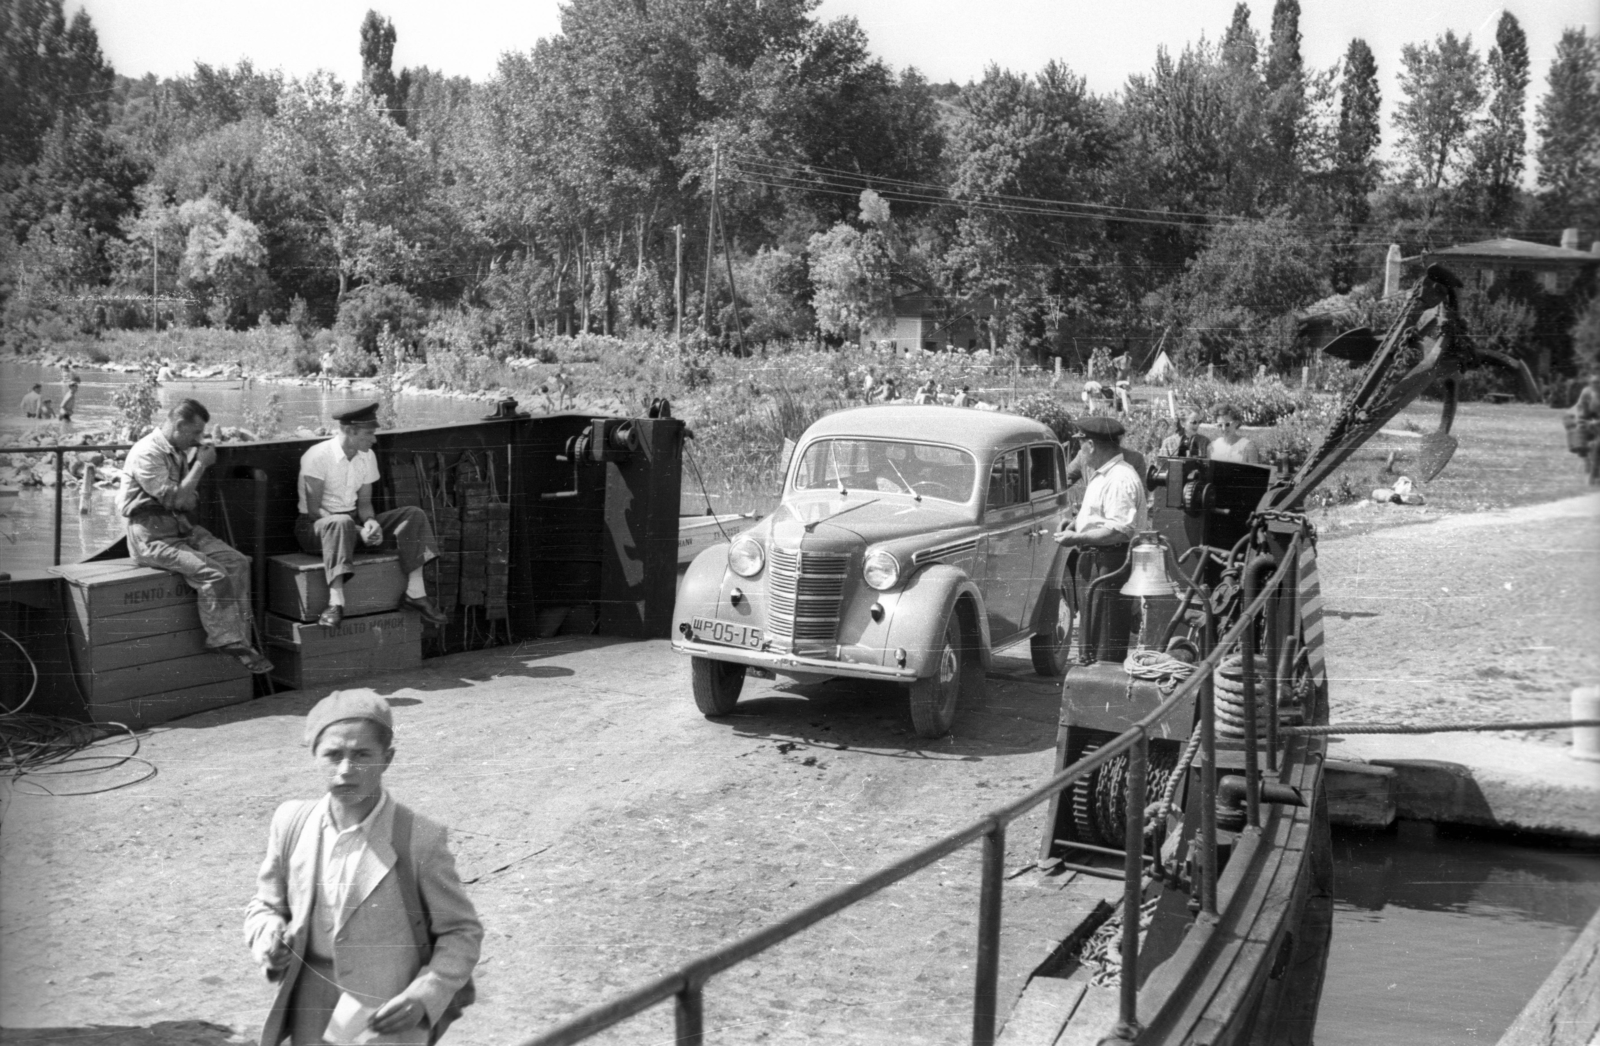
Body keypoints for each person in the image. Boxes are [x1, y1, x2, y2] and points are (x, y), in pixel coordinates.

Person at [245, 690, 483, 1046]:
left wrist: (424, 995)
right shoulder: (291, 822)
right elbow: (265, 906)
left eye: (361, 755)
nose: (345, 771)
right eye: (332, 755)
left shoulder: (418, 837)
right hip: (309, 1003)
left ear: (387, 759)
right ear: (314, 757)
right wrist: (270, 939)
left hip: (384, 1015)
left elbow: (461, 931)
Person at [119, 399, 272, 673]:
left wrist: (187, 488)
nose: (198, 440)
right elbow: (178, 499)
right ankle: (227, 640)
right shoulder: (147, 453)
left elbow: (186, 502)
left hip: (181, 528)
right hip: (150, 538)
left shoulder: (177, 449)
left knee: (237, 562)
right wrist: (200, 466)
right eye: (195, 433)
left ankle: (237, 639)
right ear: (178, 426)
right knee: (212, 573)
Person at [297, 403, 449, 629]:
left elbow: (365, 504)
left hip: (352, 525)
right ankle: (335, 603)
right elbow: (314, 510)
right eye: (369, 434)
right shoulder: (318, 456)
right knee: (341, 522)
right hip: (317, 529)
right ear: (349, 431)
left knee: (413, 515)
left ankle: (415, 593)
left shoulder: (367, 456)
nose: (374, 440)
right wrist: (358, 530)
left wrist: (370, 523)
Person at [1053, 416, 1147, 655]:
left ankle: (1100, 686)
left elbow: (1119, 530)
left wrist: (1077, 539)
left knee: (1104, 640)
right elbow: (1104, 516)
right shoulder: (1106, 473)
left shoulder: (1118, 478)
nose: (1079, 451)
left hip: (1109, 564)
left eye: (1080, 444)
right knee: (1093, 635)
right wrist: (1077, 524)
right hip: (1099, 562)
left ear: (1091, 445)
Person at [1571, 373, 1600, 485]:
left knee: (1598, 444)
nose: (1596, 385)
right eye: (1594, 383)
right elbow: (1579, 408)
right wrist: (1580, 421)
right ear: (1590, 383)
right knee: (1578, 434)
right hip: (1590, 422)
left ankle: (1593, 475)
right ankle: (1586, 462)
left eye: (1598, 383)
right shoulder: (1586, 392)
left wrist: (1596, 422)